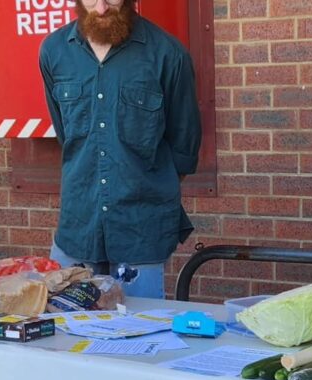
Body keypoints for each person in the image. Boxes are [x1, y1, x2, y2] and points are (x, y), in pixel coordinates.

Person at [39, 0, 201, 298]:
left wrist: (138, 184)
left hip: (140, 230)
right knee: (66, 330)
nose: (100, 9)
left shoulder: (168, 54)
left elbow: (183, 149)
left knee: (140, 332)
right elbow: (69, 137)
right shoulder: (54, 51)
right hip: (78, 225)